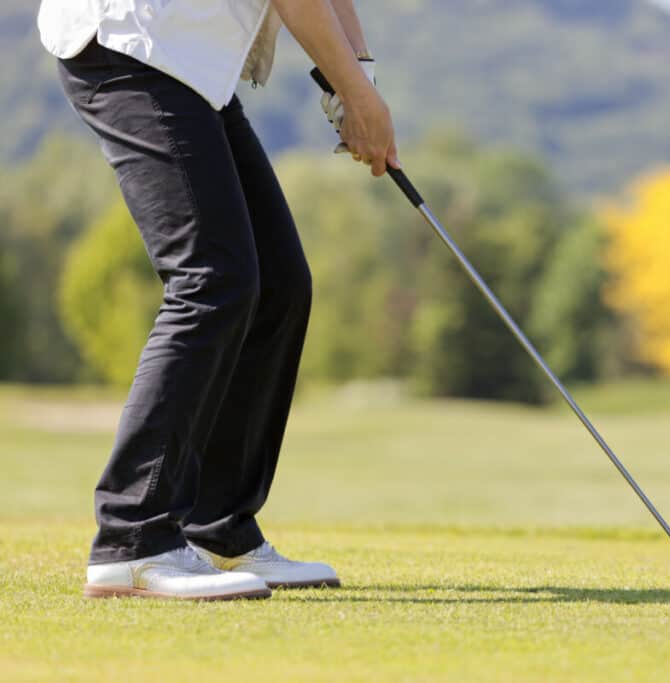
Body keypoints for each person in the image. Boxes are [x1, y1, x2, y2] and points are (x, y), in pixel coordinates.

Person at [37, 0, 398, 600]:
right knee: (210, 279)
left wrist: (358, 78)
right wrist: (358, 96)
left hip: (194, 67)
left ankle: (215, 527)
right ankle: (133, 538)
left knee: (279, 285)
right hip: (130, 45)